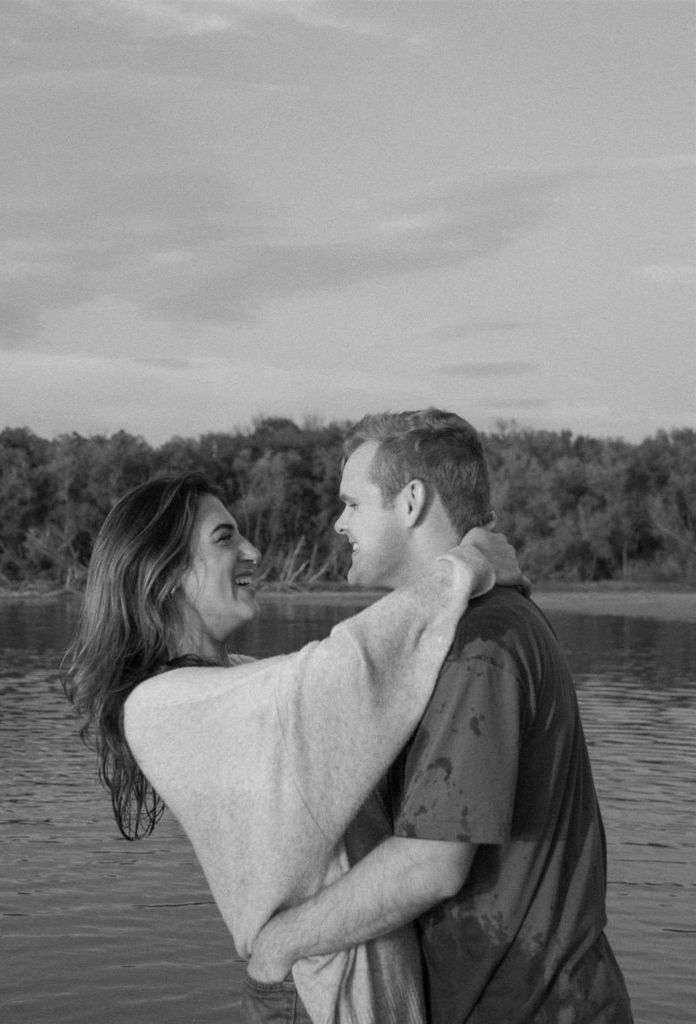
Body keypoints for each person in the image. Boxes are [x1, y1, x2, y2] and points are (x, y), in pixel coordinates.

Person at [62, 471, 526, 1024]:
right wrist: (466, 564)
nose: (252, 551)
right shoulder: (160, 706)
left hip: (344, 982)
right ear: (163, 578)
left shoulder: (236, 682)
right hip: (314, 991)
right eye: (224, 538)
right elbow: (347, 666)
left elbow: (354, 683)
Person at [249, 410, 633, 1024]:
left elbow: (433, 863)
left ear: (410, 503)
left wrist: (279, 944)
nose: (338, 522)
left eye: (352, 503)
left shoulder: (480, 645)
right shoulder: (462, 629)